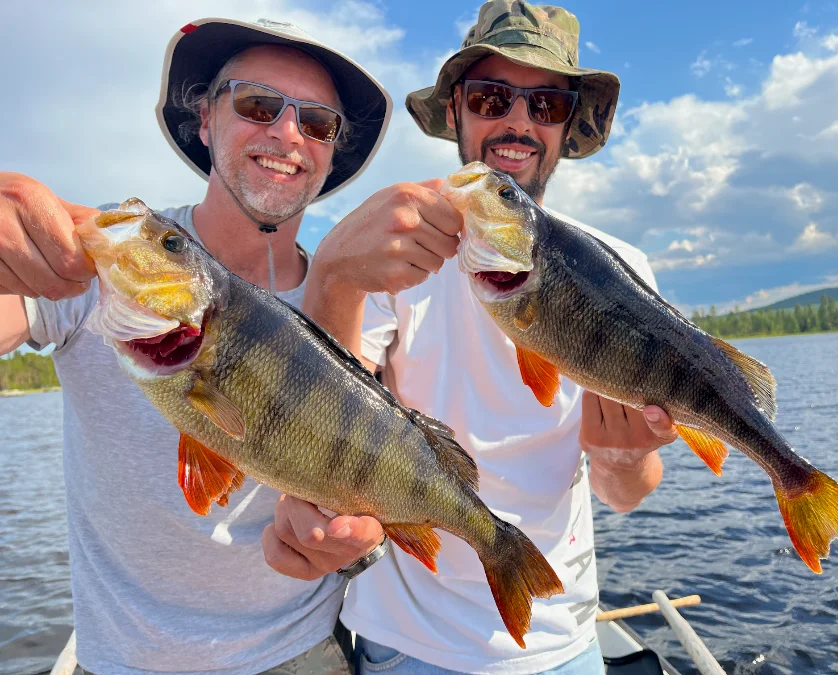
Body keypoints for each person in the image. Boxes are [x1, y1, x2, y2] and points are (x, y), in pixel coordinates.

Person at [278, 2, 681, 673]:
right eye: (493, 97)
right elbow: (325, 424)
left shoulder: (624, 271)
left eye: (546, 103)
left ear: (566, 124)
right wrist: (336, 275)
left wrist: (620, 456)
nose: (518, 121)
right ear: (457, 113)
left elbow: (628, 492)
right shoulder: (387, 249)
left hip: (565, 634)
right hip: (413, 643)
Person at [0, 17, 408, 675]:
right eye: (257, 104)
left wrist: (358, 540)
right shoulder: (114, 261)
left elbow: (370, 473)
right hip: (119, 659)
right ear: (204, 117)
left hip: (301, 650)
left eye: (317, 122)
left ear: (332, 152)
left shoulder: (361, 302)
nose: (285, 133)